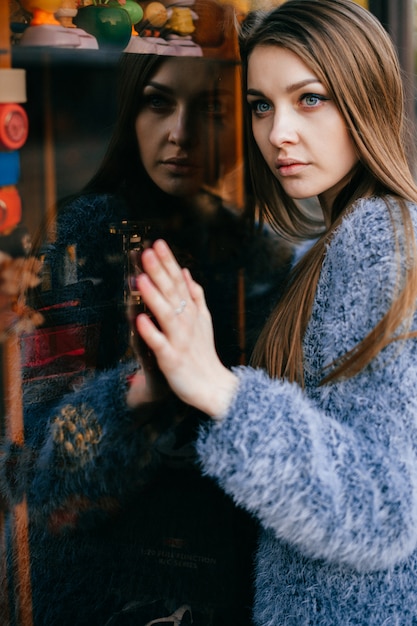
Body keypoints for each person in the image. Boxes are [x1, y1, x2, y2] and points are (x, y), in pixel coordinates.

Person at [128, 1, 417, 624]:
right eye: (261, 105)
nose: (277, 131)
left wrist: (218, 387)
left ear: (366, 97)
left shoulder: (378, 239)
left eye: (308, 98)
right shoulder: (337, 240)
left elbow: (385, 508)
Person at [0, 45, 292, 626]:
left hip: (223, 581)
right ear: (130, 110)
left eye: (210, 107)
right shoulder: (80, 238)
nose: (180, 133)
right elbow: (28, 472)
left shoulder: (260, 257)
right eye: (158, 102)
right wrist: (138, 392)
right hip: (92, 586)